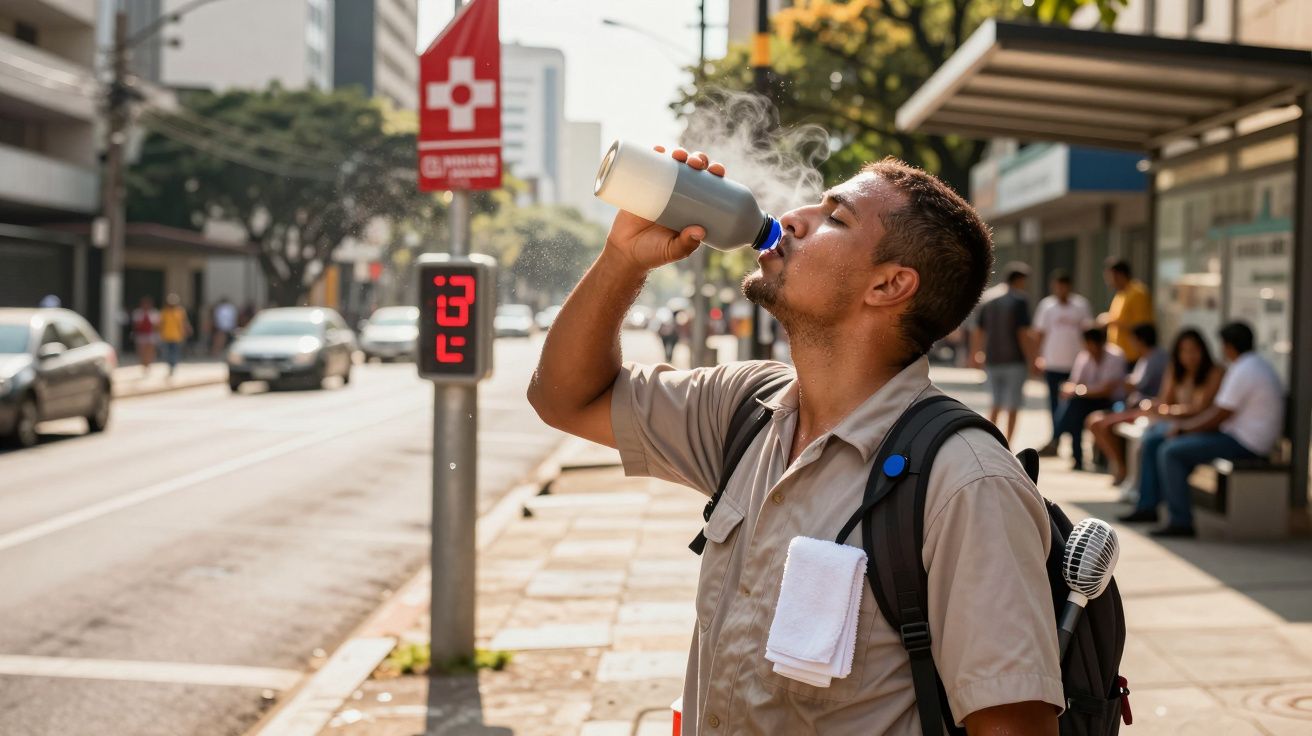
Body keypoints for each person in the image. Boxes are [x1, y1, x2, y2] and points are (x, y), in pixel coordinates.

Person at [529, 148, 1062, 733]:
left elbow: (1014, 726)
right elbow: (564, 399)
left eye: (836, 217)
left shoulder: (966, 484)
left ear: (889, 284)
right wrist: (623, 259)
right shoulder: (744, 407)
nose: (794, 218)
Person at [1121, 322, 1284, 537]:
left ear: (1228, 346)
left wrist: (1185, 430)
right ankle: (1148, 506)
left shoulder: (1244, 369)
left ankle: (1181, 521)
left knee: (1171, 451)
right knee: (1154, 442)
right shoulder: (1253, 365)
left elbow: (1219, 415)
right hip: (1240, 436)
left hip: (1245, 442)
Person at [1084, 324, 1177, 484]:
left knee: (1102, 424)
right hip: (1133, 406)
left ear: (1140, 340)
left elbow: (1141, 385)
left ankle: (1122, 468)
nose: (1131, 344)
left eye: (1133, 340)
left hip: (1146, 410)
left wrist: (1123, 383)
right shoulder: (1145, 357)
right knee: (1094, 421)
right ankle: (1119, 465)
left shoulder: (1156, 358)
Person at [970, 263, 1035, 443]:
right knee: (1013, 405)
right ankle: (1008, 443)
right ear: (1019, 280)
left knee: (995, 403)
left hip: (992, 359)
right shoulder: (1019, 300)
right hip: (1015, 360)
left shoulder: (988, 298)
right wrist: (1032, 358)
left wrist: (975, 353)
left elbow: (978, 330)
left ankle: (992, 442)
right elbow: (1023, 334)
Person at [1051, 327, 1126, 471]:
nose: (1091, 349)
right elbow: (1074, 383)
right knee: (1074, 408)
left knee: (1074, 405)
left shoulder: (1115, 356)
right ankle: (1077, 457)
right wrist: (1073, 390)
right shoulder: (1084, 356)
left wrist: (1079, 391)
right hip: (1087, 400)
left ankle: (1057, 433)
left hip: (1112, 402)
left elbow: (1106, 390)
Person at [1032, 270, 1092, 448]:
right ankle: (1056, 439)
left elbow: (1088, 333)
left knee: (1073, 405)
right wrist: (1036, 357)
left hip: (1075, 365)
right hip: (1052, 363)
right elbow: (1039, 333)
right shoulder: (1047, 306)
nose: (1060, 290)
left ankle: (1074, 444)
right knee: (1054, 404)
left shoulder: (1081, 305)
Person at [1098, 258, 1152, 365]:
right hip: (1119, 358)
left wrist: (1111, 322)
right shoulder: (1120, 294)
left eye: (1110, 277)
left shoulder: (1138, 293)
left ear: (1120, 275)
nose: (1108, 282)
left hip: (1133, 358)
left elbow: (1142, 327)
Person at [158, 294, 191, 377]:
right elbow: (161, 324)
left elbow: (184, 322)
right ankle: (170, 365)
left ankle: (173, 366)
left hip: (176, 336)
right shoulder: (164, 312)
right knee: (167, 352)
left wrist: (186, 330)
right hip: (166, 335)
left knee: (174, 352)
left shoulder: (180, 311)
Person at [131, 296, 159, 373]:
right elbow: (135, 325)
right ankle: (144, 364)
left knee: (150, 351)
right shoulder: (137, 313)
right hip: (141, 335)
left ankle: (148, 364)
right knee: (141, 351)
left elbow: (157, 325)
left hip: (151, 335)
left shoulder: (154, 313)